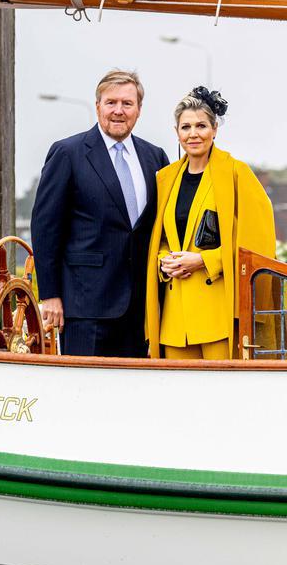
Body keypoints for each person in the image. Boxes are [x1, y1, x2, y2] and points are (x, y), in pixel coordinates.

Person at [31, 70, 170, 357]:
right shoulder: (68, 153)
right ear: (98, 107)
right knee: (84, 383)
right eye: (111, 102)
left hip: (141, 309)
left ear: (139, 110)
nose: (119, 111)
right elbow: (46, 228)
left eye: (127, 103)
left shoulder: (155, 157)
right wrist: (50, 295)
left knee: (133, 385)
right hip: (85, 306)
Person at [145, 88, 276, 360]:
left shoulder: (237, 173)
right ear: (177, 132)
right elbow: (162, 238)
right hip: (175, 321)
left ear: (214, 129)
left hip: (219, 317)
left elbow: (257, 244)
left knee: (223, 387)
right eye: (186, 127)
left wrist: (204, 260)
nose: (193, 134)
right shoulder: (165, 178)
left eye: (201, 126)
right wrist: (163, 260)